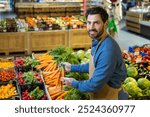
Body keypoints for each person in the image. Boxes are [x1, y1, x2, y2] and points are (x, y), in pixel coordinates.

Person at [61, 6, 127, 100]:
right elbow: (95, 66)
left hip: (111, 98)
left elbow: (95, 85)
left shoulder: (108, 49)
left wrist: (74, 83)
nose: (91, 27)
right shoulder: (98, 40)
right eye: (89, 23)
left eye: (96, 23)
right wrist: (71, 67)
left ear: (106, 24)